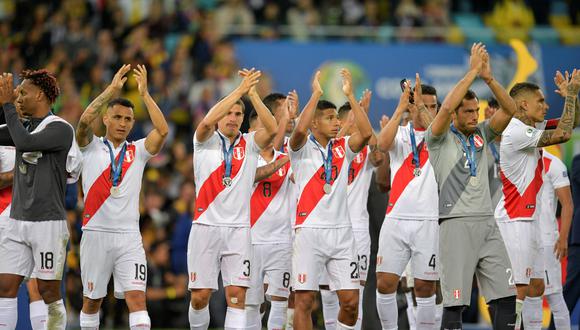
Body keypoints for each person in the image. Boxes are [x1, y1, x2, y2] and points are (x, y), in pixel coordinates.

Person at [424, 43, 518, 329]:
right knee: (455, 304)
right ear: (453, 114)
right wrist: (472, 72)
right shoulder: (438, 138)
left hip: (488, 224)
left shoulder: (482, 134)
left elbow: (510, 109)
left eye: (476, 110)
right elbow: (449, 104)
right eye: (467, 111)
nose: (473, 116)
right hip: (455, 224)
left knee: (506, 298)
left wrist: (488, 78)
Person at [75, 64, 169, 330]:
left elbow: (162, 131)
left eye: (128, 119)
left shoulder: (137, 150)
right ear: (106, 119)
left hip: (129, 237)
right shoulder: (90, 146)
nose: (123, 123)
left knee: (138, 299)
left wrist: (146, 94)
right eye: (117, 117)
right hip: (95, 233)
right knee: (92, 302)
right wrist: (111, 91)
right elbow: (83, 123)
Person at [188, 68, 278, 330]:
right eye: (229, 113)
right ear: (219, 116)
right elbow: (205, 123)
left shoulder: (250, 143)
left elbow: (272, 128)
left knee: (237, 297)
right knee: (200, 296)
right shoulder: (204, 140)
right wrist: (238, 91)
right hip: (206, 226)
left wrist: (252, 95)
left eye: (238, 114)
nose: (234, 118)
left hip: (239, 229)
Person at [495, 69, 580, 329]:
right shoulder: (517, 132)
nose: (545, 106)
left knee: (536, 287)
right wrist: (572, 95)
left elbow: (572, 123)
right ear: (523, 104)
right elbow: (564, 134)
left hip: (528, 221)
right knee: (520, 289)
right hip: (515, 220)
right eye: (540, 101)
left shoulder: (532, 128)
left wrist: (571, 99)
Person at [288, 69, 372, 330]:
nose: (337, 123)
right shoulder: (300, 149)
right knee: (304, 302)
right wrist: (316, 94)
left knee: (350, 302)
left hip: (342, 235)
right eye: (330, 118)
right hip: (309, 233)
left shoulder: (342, 147)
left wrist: (350, 97)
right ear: (315, 123)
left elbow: (367, 134)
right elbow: (300, 129)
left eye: (337, 117)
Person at [0, 69, 81, 330]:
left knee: (47, 290)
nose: (19, 96)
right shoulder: (21, 124)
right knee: (6, 286)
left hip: (47, 222)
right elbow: (16, 133)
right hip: (17, 219)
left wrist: (8, 106)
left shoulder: (60, 128)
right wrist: (9, 110)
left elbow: (24, 142)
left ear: (41, 95)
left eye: (23, 92)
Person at [375, 74, 439, 330]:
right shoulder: (401, 134)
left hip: (428, 220)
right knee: (384, 283)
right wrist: (402, 106)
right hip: (396, 219)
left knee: (425, 286)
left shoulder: (442, 136)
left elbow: (437, 129)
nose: (427, 110)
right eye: (422, 104)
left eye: (433, 106)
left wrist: (423, 111)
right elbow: (381, 144)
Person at [245, 94, 294, 330]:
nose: (264, 133)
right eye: (260, 129)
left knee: (280, 300)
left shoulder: (288, 155)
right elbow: (254, 175)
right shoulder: (243, 153)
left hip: (282, 240)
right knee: (252, 304)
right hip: (249, 239)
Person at [0, 143, 48, 330]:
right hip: (5, 218)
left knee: (40, 288)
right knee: (6, 289)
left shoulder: (43, 133)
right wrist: (19, 172)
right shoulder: (3, 135)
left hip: (39, 217)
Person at [539, 150, 573, 329]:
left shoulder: (553, 163)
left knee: (554, 296)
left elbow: (567, 203)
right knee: (527, 298)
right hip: (519, 238)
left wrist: (563, 238)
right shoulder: (516, 157)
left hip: (545, 241)